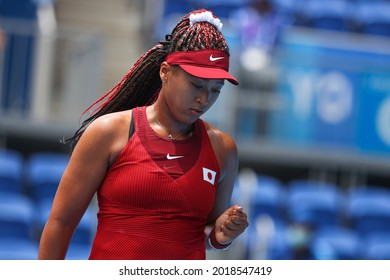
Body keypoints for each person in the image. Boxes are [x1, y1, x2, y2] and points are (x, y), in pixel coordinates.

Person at [38, 9, 249, 260]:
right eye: (196, 85)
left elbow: (204, 234)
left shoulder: (223, 149)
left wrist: (221, 236)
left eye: (216, 90)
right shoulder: (108, 132)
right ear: (165, 72)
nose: (205, 99)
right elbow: (61, 223)